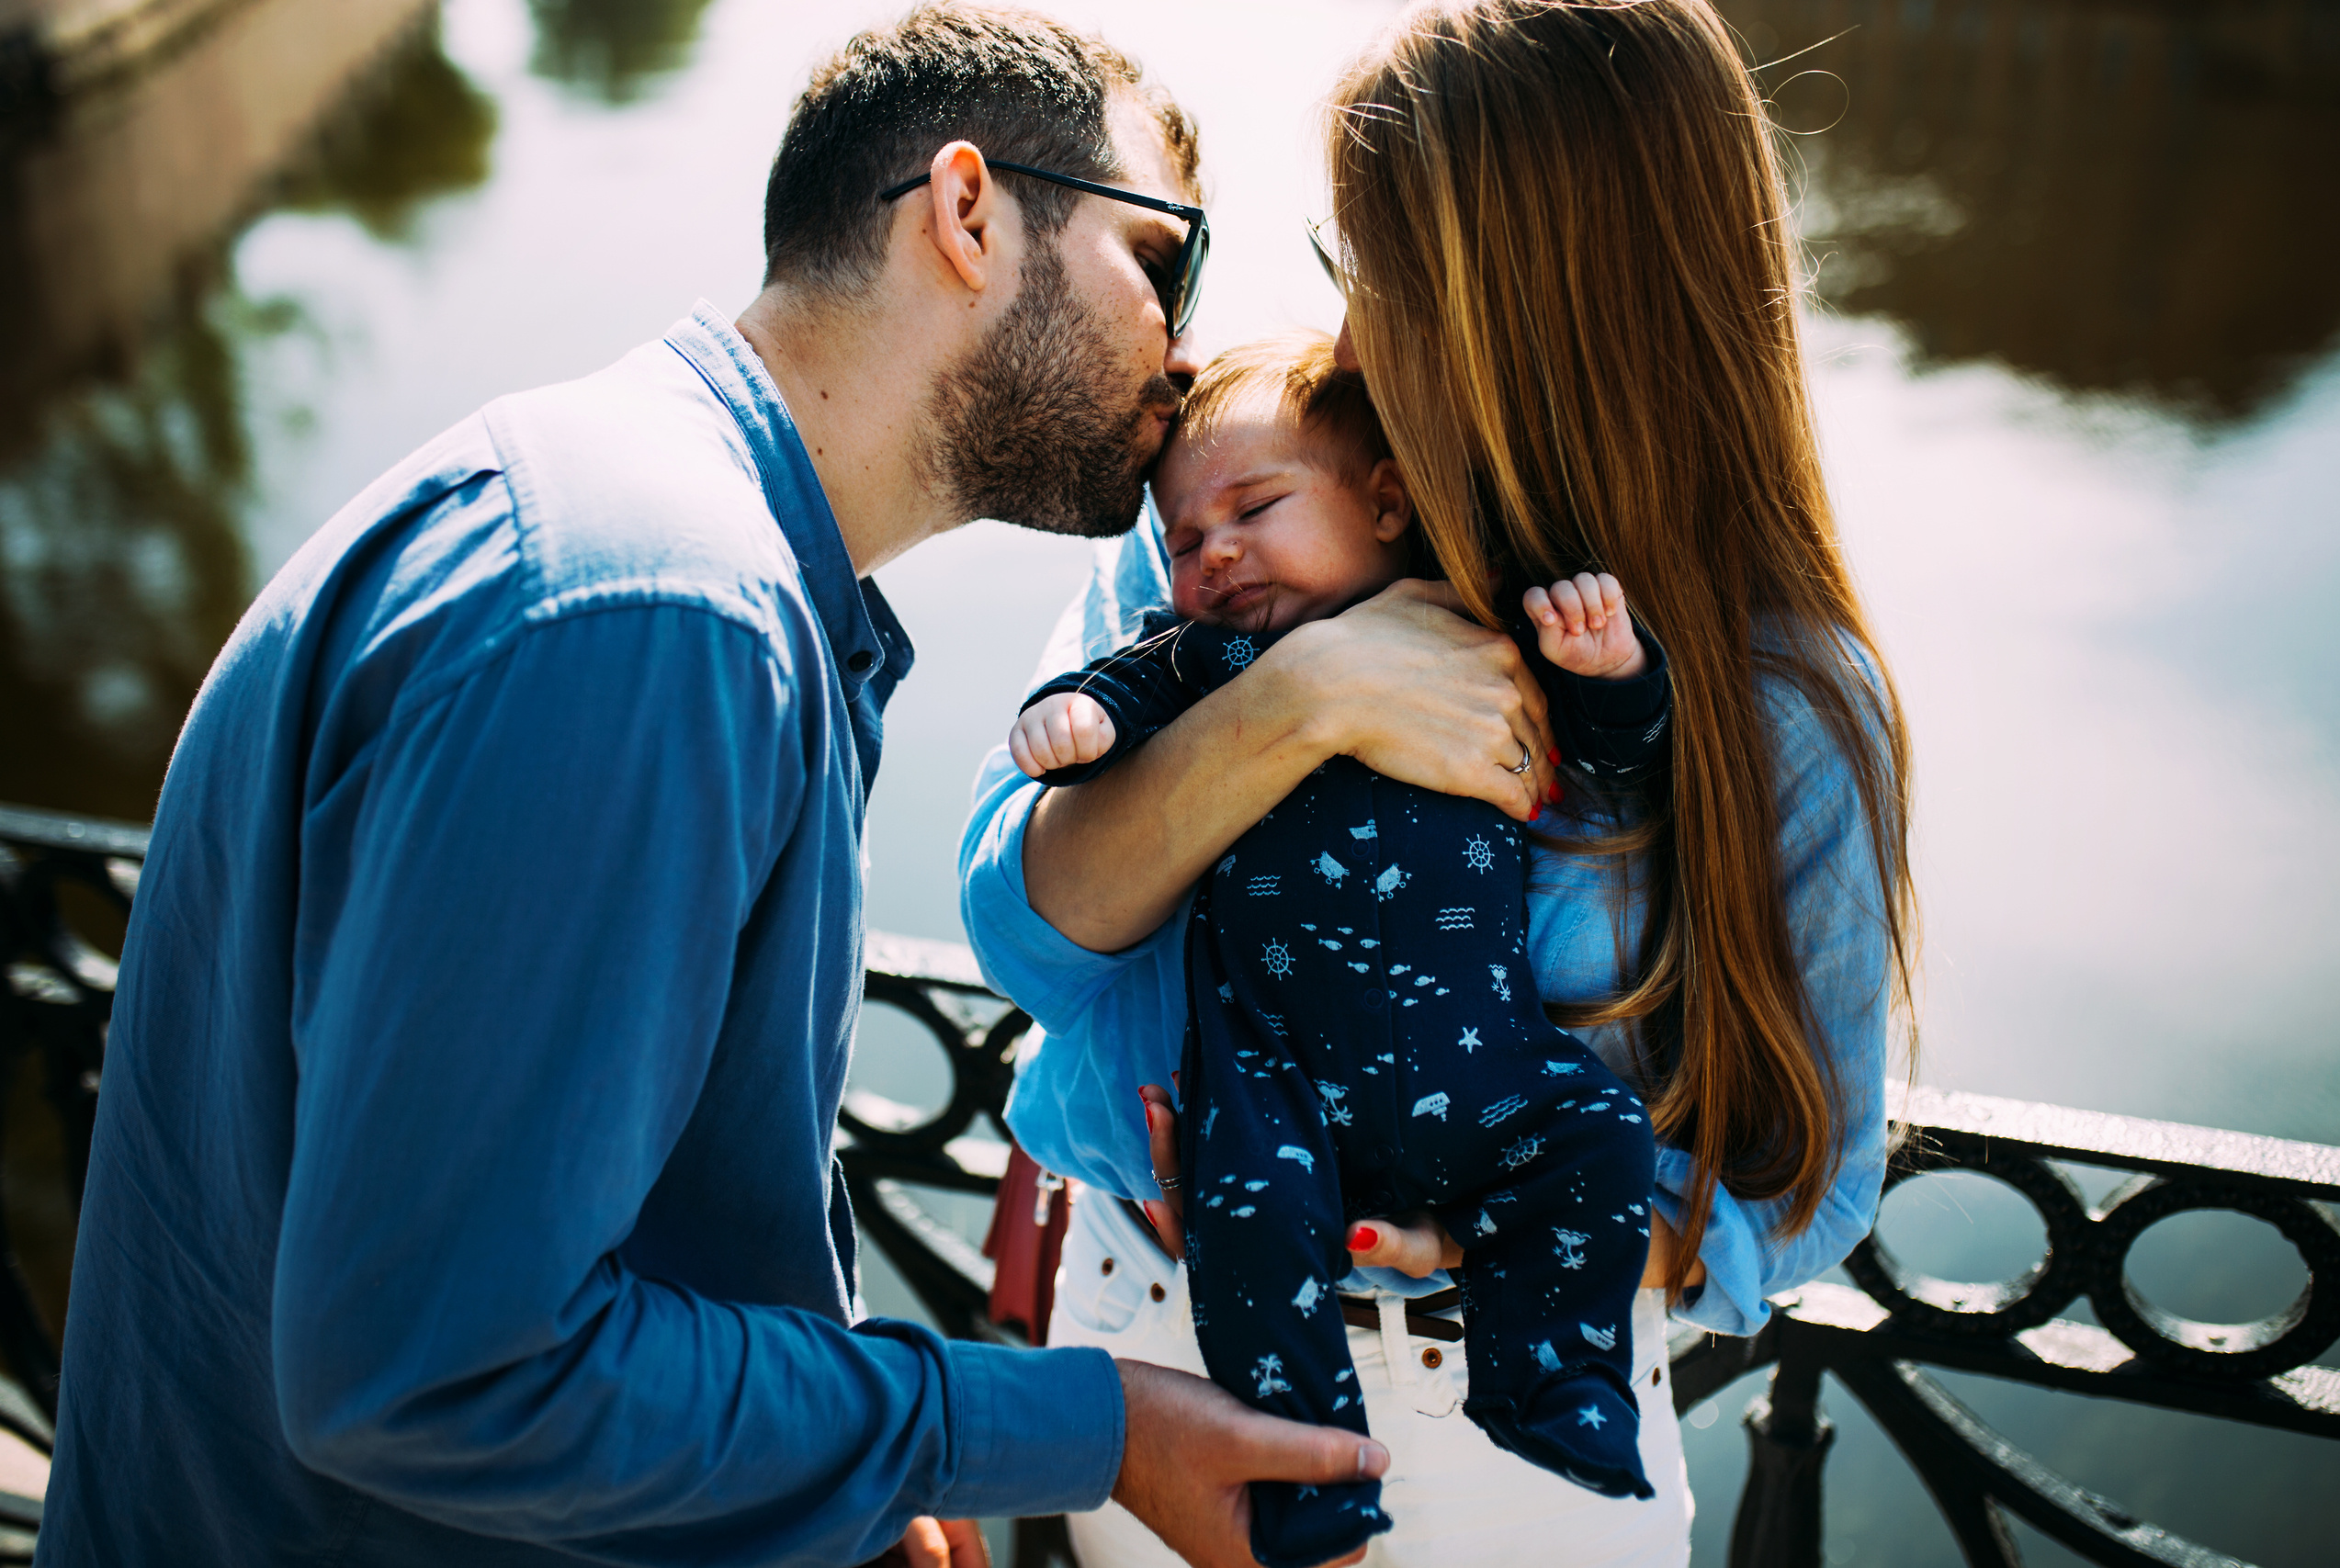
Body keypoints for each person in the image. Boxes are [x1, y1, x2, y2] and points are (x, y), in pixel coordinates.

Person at [35, 8, 1392, 1568]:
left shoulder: (637, 525)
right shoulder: (657, 618)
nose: (1186, 356)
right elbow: (442, 1373)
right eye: (1164, 263)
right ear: (966, 214)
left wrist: (841, 1472)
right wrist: (1072, 1427)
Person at [958, 3, 1916, 1564]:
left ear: (1527, 306)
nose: (1345, 327)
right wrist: (1303, 702)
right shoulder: (1242, 522)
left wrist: (1498, 1237)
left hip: (1522, 1420)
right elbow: (1027, 933)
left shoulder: (1777, 691)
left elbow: (1801, 1189)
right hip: (1164, 1336)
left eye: (1373, 270)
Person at [1006, 333, 1673, 1568]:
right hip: (1278, 1072)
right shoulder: (1210, 658)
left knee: (1599, 1139)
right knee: (1247, 1218)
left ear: (1383, 500)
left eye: (1255, 510)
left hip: (1488, 1067)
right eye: (1185, 541)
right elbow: (1116, 703)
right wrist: (1078, 720)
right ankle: (1306, 1480)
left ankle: (1550, 1380)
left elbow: (1617, 757)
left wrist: (1612, 667)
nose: (1215, 556)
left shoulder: (1480, 632)